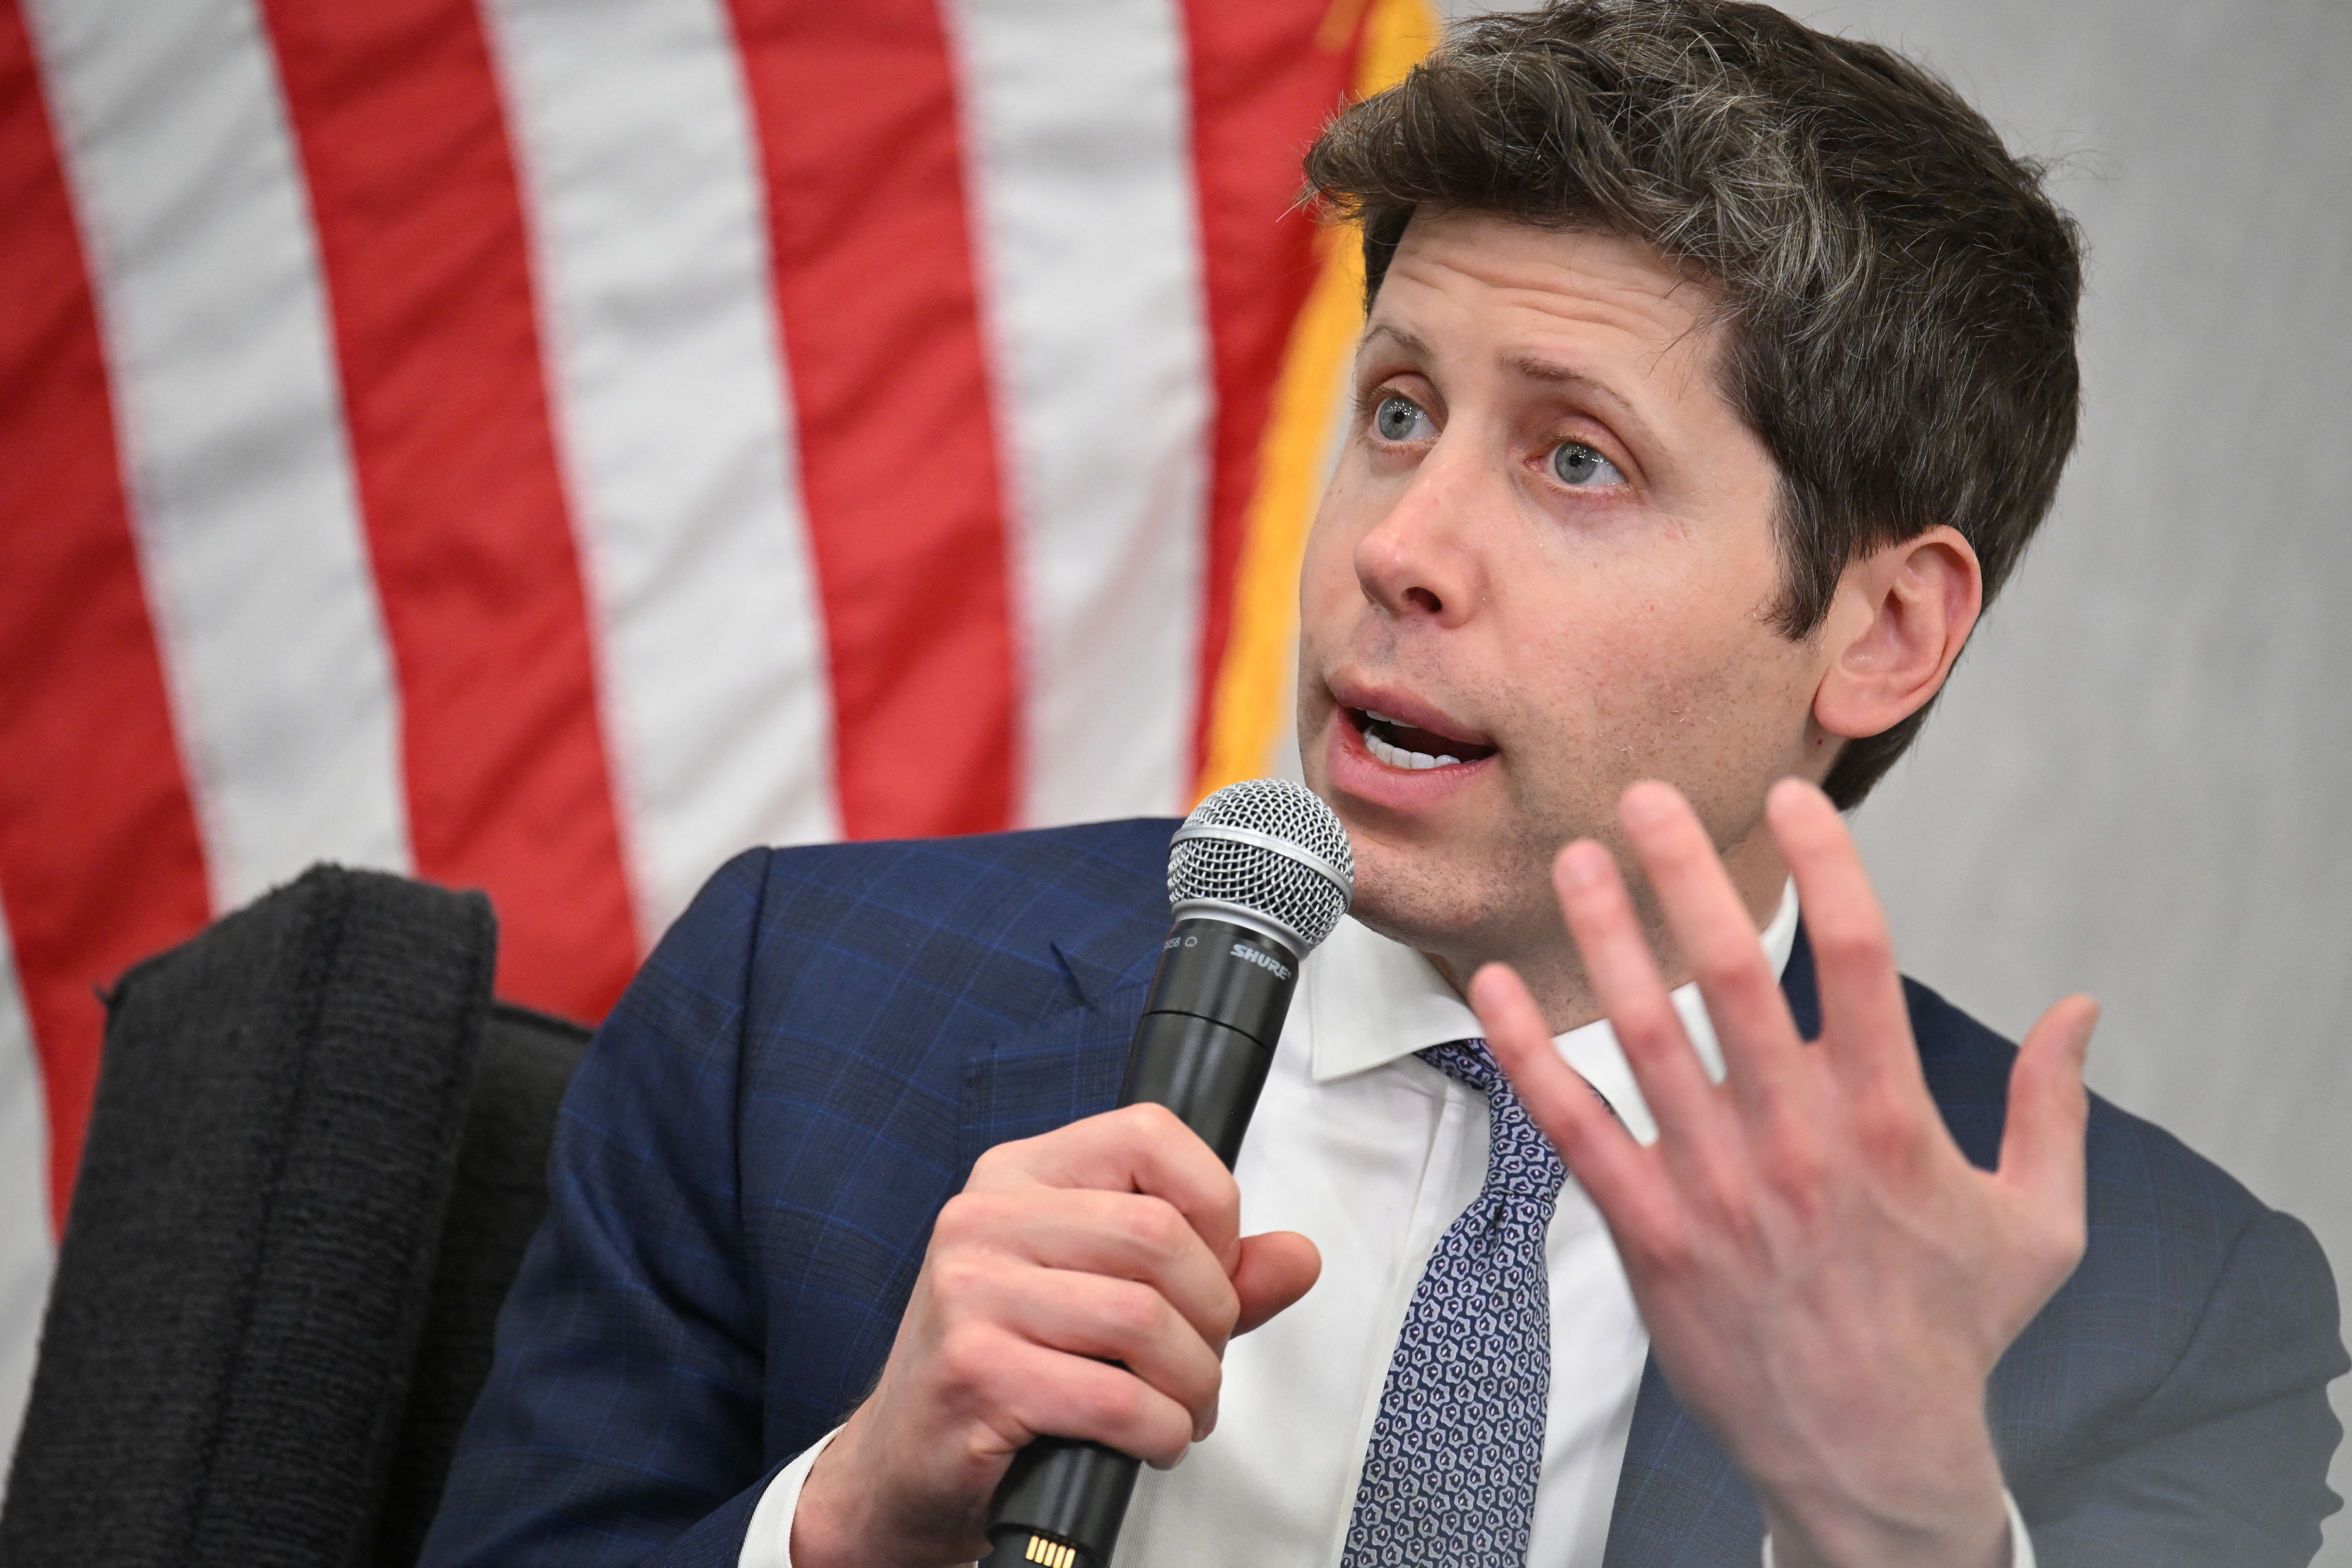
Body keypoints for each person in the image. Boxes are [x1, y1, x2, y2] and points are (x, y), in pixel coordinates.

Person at [419, 4, 2348, 1565]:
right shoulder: (800, 1008)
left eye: (1575, 460)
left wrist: (1906, 1534)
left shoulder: (2166, 1326)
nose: (1398, 546)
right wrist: (840, 1528)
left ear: (1884, 633)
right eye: (1401, 408)